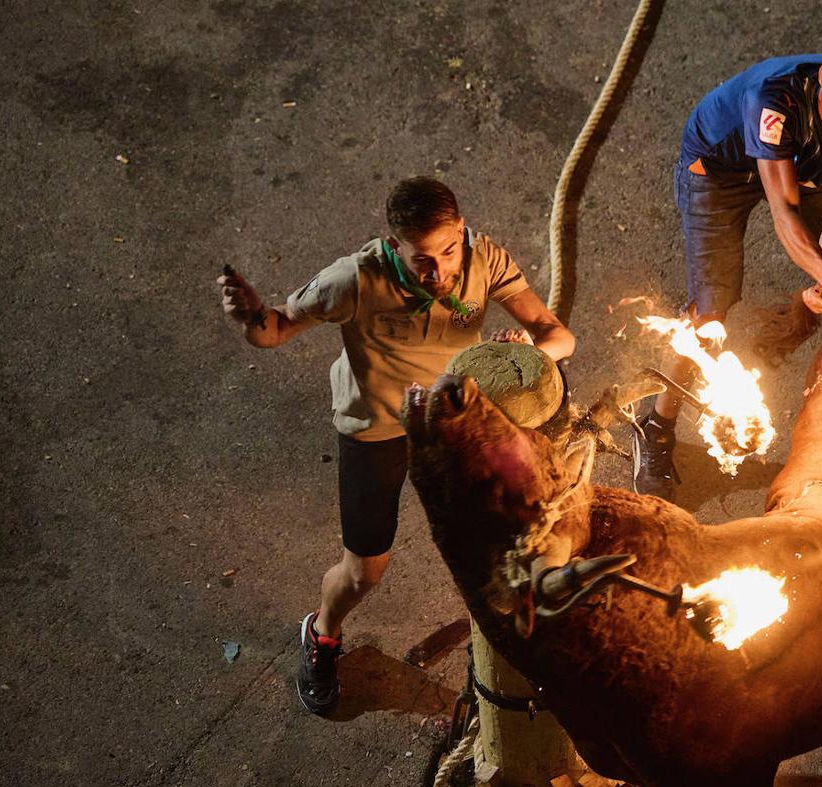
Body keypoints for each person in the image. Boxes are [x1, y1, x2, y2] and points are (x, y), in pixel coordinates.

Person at [217, 177, 575, 714]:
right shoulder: (353, 280)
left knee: (517, 527)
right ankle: (322, 632)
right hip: (377, 428)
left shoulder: (486, 261)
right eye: (421, 260)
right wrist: (249, 316)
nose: (438, 272)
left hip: (452, 419)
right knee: (365, 572)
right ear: (394, 246)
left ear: (461, 231)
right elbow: (273, 330)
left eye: (449, 251)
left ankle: (517, 652)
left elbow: (558, 335)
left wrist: (529, 347)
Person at [633, 42, 822, 500]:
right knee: (708, 312)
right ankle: (655, 424)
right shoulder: (773, 100)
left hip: (801, 163)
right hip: (719, 171)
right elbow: (785, 216)